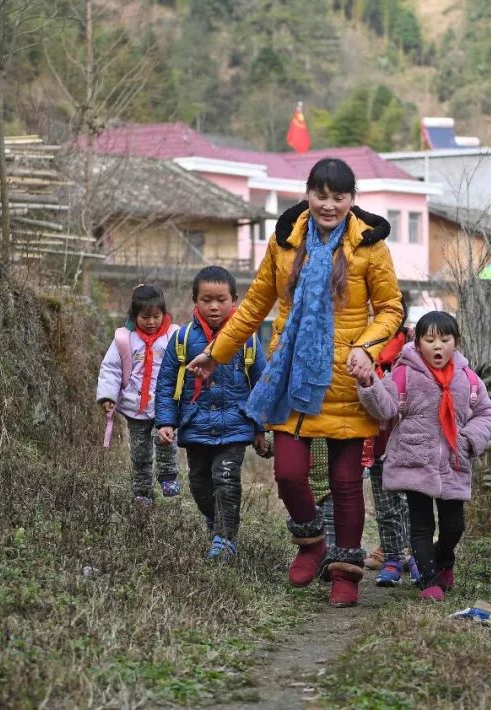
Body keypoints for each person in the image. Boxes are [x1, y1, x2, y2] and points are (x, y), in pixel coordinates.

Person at [187, 157, 403, 607]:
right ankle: (312, 544)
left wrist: (364, 348)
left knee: (346, 482)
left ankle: (345, 571)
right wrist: (216, 353)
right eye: (320, 195)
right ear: (307, 193)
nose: (329, 205)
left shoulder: (370, 247)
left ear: (351, 200)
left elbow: (390, 310)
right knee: (287, 474)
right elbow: (253, 306)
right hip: (290, 376)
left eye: (339, 197)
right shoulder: (285, 242)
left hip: (344, 379)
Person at [356, 311, 491, 601]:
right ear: (417, 343)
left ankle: (443, 559)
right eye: (429, 340)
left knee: (453, 526)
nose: (437, 346)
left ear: (456, 343)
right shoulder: (405, 373)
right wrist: (370, 384)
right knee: (421, 525)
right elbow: (385, 408)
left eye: (444, 340)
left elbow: (486, 413)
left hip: (453, 462)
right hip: (415, 458)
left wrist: (469, 439)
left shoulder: (468, 379)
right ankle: (429, 581)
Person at [155, 266, 269, 560]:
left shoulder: (248, 340)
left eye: (221, 299)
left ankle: (225, 539)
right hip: (195, 425)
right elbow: (166, 381)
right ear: (195, 301)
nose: (214, 306)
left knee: (227, 479)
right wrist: (166, 421)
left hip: (235, 426)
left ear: (235, 300)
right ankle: (216, 519)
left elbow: (261, 386)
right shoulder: (182, 339)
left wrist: (260, 428)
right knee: (199, 484)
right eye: (207, 299)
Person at [96, 283, 181, 503]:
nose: (151, 322)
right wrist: (108, 396)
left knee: (166, 440)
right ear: (135, 316)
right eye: (145, 317)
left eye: (156, 316)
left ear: (164, 313)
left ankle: (168, 476)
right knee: (140, 451)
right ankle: (142, 492)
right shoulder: (125, 339)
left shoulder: (174, 337)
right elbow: (111, 368)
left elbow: (186, 365)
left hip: (165, 404)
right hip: (136, 407)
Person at [362, 291, 420, 587]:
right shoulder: (359, 349)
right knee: (385, 505)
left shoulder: (415, 349)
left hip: (409, 441)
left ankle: (415, 554)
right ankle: (393, 557)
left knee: (412, 503)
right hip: (375, 441)